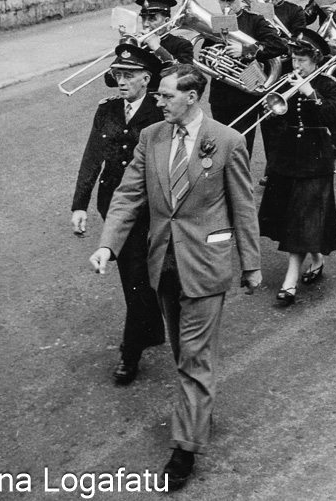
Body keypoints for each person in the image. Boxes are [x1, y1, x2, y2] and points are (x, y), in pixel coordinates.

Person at [89, 63, 263, 492]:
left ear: (192, 97)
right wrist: (108, 245)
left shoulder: (227, 141)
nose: (159, 102)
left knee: (194, 359)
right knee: (183, 351)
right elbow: (128, 195)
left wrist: (252, 264)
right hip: (163, 263)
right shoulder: (152, 137)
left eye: (166, 96)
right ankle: (199, 410)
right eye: (159, 95)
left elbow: (243, 207)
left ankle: (184, 450)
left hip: (206, 264)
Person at [72, 43, 167, 385]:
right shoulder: (108, 110)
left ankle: (131, 352)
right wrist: (79, 205)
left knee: (136, 279)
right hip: (114, 206)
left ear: (146, 79)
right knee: (135, 277)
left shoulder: (160, 112)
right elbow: (92, 156)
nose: (121, 81)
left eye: (129, 75)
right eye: (118, 74)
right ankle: (151, 330)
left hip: (150, 208)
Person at [258, 31, 336, 306]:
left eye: (302, 60)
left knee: (302, 218)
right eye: (294, 59)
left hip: (315, 158)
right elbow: (272, 121)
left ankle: (290, 282)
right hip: (287, 156)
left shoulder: (328, 84)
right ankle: (316, 258)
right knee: (291, 217)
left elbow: (332, 117)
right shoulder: (286, 80)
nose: (296, 65)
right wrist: (270, 111)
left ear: (315, 60)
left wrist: (310, 93)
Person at [205, 0, 288, 157]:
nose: (226, 6)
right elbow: (205, 53)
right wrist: (212, 59)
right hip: (220, 94)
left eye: (230, 1)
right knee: (220, 147)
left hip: (246, 93)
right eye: (222, 1)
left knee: (241, 148)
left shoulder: (255, 20)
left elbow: (278, 45)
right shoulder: (216, 22)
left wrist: (245, 50)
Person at [132, 0, 195, 66]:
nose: (145, 24)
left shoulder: (182, 45)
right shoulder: (139, 44)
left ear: (166, 21)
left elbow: (185, 71)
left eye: (152, 19)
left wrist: (157, 48)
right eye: (143, 19)